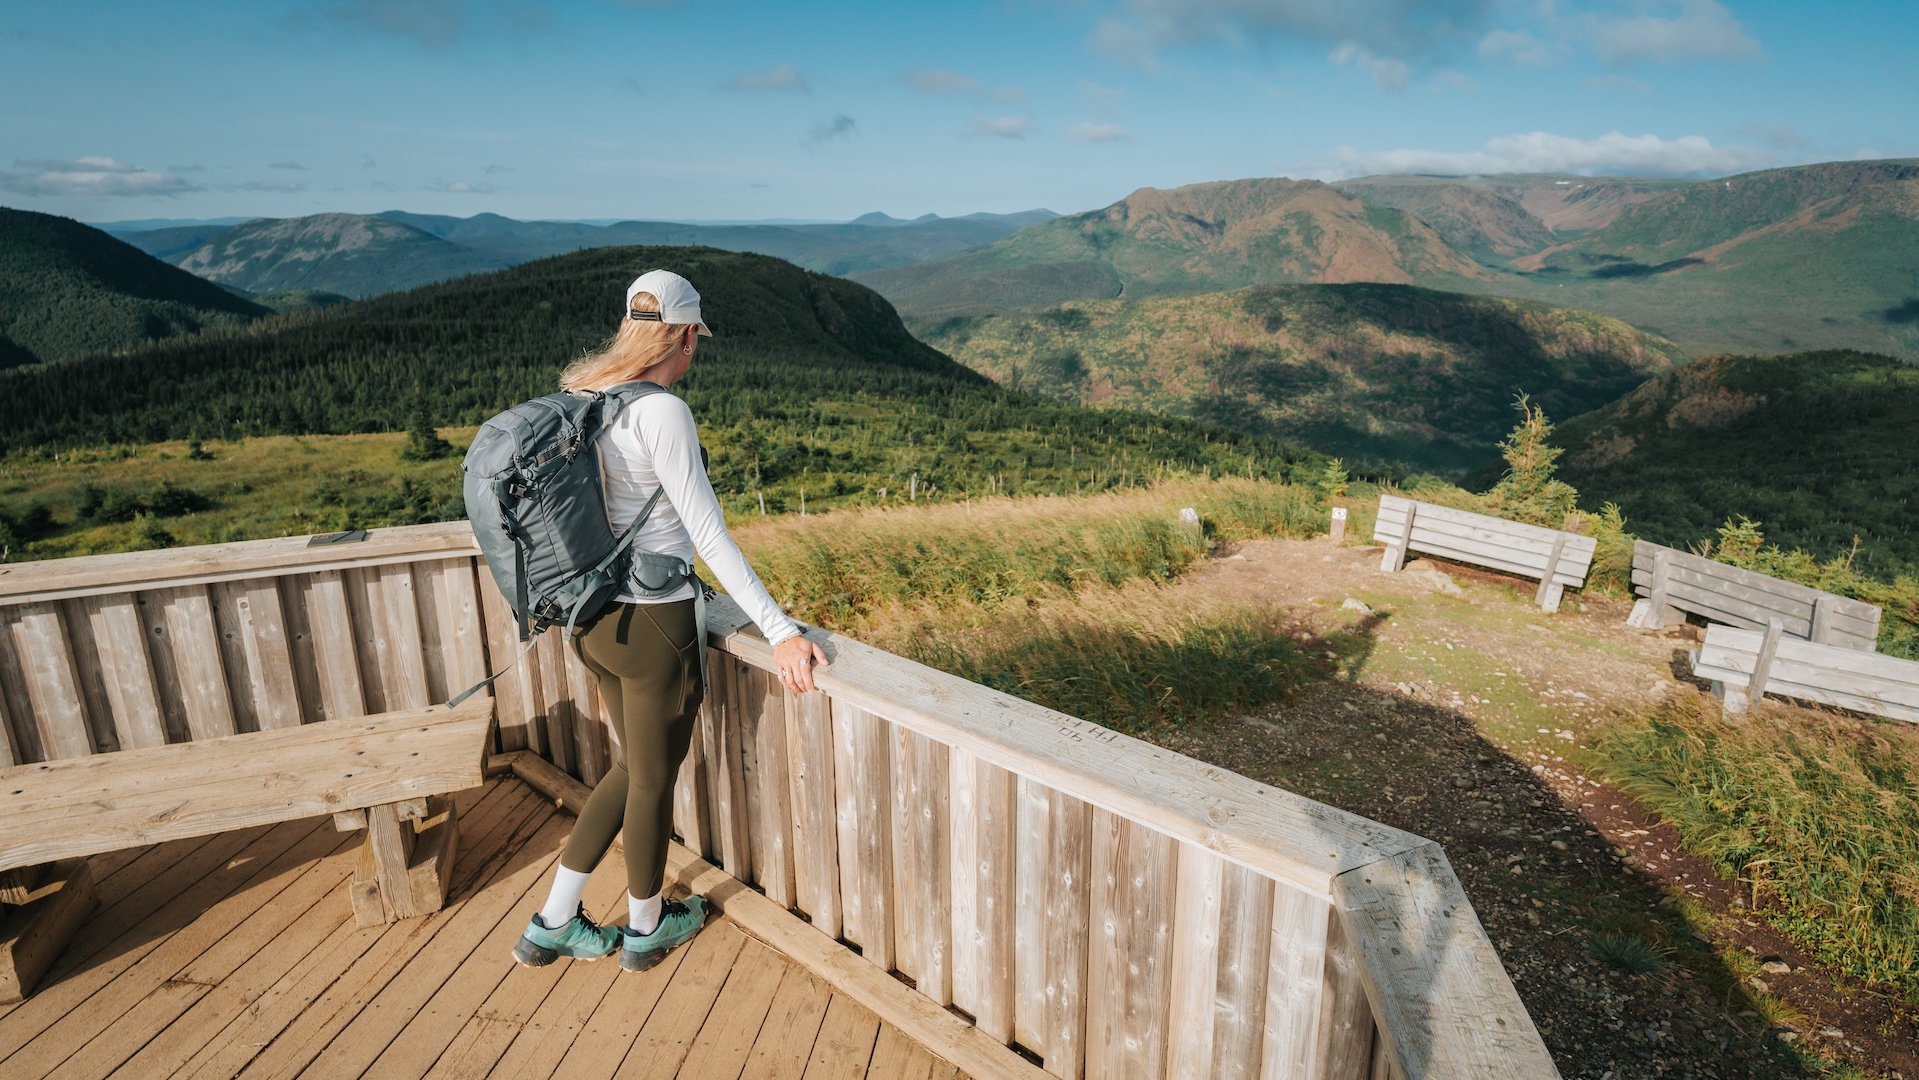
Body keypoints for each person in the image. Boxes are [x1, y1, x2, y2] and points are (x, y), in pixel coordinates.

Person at [513, 269, 827, 972]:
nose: (694, 352)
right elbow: (708, 534)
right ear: (684, 335)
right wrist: (780, 631)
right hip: (655, 624)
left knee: (632, 771)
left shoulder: (583, 397)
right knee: (651, 780)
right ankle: (646, 926)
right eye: (695, 341)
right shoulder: (662, 412)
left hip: (591, 619)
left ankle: (554, 921)